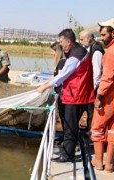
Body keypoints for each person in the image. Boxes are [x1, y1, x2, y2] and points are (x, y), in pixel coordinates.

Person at [37, 29, 95, 162]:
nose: (60, 45)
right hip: (77, 94)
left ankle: (67, 155)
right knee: (71, 125)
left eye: (61, 42)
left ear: (69, 42)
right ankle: (68, 151)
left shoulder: (76, 56)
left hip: (75, 95)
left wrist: (45, 86)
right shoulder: (78, 51)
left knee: (70, 125)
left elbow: (63, 75)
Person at [90, 18, 114, 173]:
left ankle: (99, 161)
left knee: (97, 128)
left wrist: (99, 97)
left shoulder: (111, 52)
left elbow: (107, 78)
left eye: (104, 35)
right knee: (112, 129)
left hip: (109, 97)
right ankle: (110, 164)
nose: (102, 38)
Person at [79, 30, 105, 132]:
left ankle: (91, 132)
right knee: (89, 110)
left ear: (89, 38)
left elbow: (97, 73)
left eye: (82, 39)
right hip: (92, 86)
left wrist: (91, 88)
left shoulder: (97, 52)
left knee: (92, 111)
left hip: (96, 86)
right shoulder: (91, 48)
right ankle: (89, 129)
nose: (80, 42)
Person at [50, 42, 66, 138]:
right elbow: (54, 77)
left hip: (62, 94)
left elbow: (60, 79)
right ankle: (65, 137)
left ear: (58, 52)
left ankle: (67, 138)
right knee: (62, 116)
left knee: (64, 116)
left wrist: (46, 86)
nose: (51, 53)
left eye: (52, 51)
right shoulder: (60, 62)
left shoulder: (61, 62)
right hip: (60, 93)